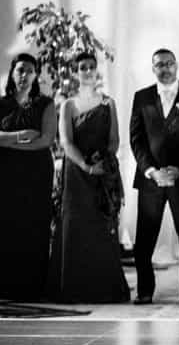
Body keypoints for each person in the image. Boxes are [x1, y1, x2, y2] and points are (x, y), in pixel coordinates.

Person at [46, 52, 130, 303]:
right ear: (75, 72)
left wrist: (103, 162)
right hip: (76, 174)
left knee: (102, 228)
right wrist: (86, 165)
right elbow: (65, 142)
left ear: (97, 71)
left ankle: (104, 289)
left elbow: (114, 138)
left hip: (102, 173)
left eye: (92, 67)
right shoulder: (68, 105)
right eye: (82, 67)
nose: (88, 71)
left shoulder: (108, 103)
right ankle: (72, 288)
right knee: (75, 227)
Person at [128, 48, 179, 305]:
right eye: (159, 65)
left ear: (177, 65)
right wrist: (151, 171)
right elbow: (136, 140)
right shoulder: (141, 97)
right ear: (153, 69)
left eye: (169, 63)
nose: (165, 68)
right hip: (151, 180)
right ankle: (144, 292)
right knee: (144, 238)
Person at [0, 53, 56, 303]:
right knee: (5, 228)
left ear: (37, 76)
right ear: (13, 73)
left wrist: (9, 141)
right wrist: (22, 135)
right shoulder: (0, 103)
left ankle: (34, 288)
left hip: (37, 174)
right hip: (6, 175)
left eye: (30, 71)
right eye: (20, 70)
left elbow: (46, 140)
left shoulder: (46, 103)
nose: (24, 75)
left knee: (35, 227)